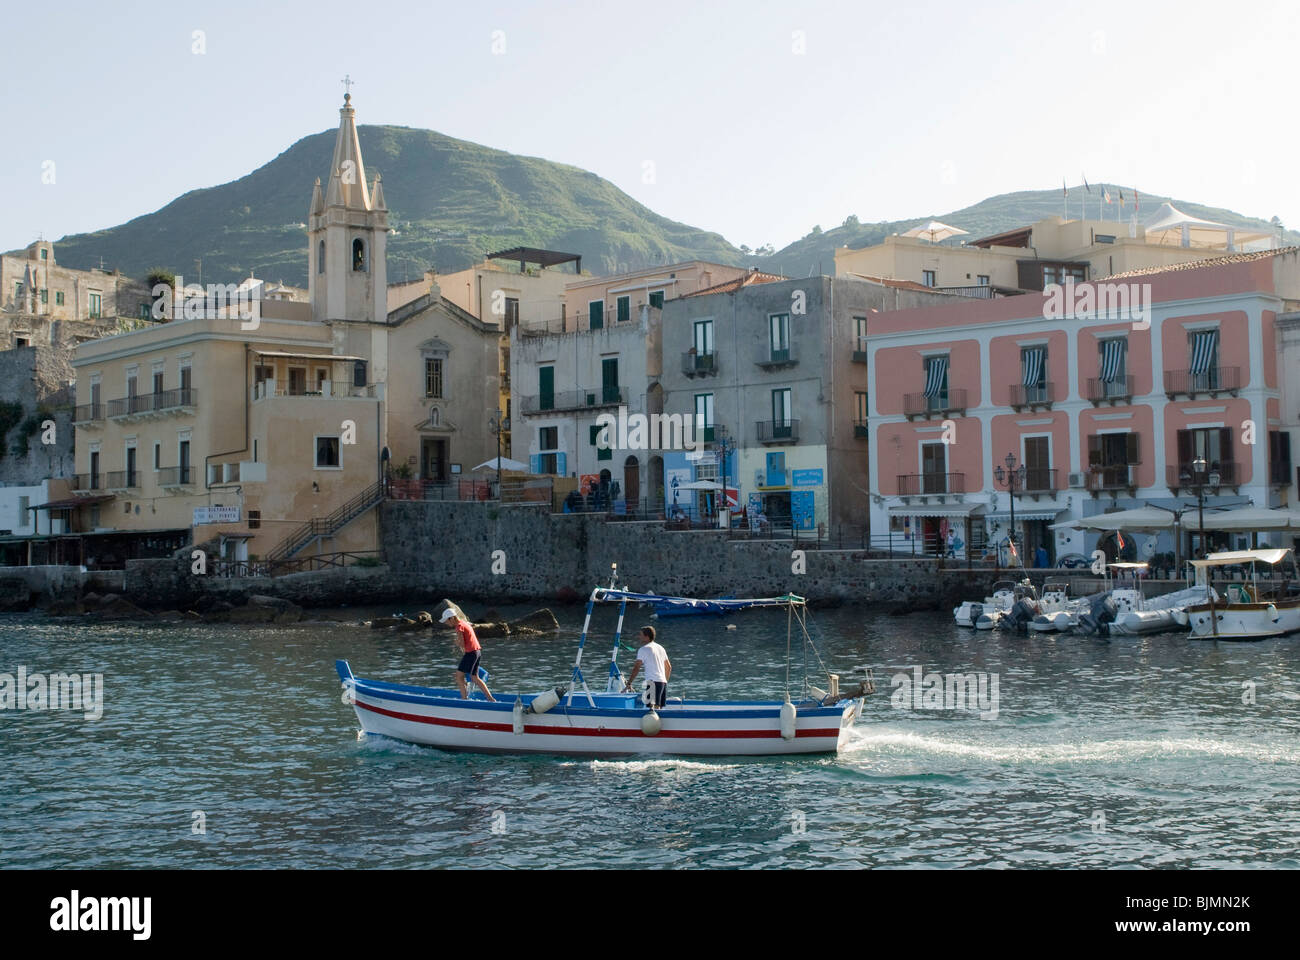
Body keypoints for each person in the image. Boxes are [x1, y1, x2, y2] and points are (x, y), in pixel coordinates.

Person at [441, 607, 496, 701]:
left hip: (471, 653)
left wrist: (456, 643)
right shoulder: (464, 623)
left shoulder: (459, 627)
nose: (446, 623)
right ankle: (491, 699)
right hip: (477, 652)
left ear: (452, 618)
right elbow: (467, 641)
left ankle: (464, 699)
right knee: (474, 677)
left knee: (459, 676)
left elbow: (462, 643)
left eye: (446, 621)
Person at [623, 625, 671, 708]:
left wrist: (629, 683)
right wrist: (664, 681)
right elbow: (669, 667)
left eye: (640, 635)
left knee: (652, 709)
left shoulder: (643, 649)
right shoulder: (660, 648)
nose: (639, 637)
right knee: (658, 709)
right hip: (662, 682)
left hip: (652, 682)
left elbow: (636, 668)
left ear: (647, 636)